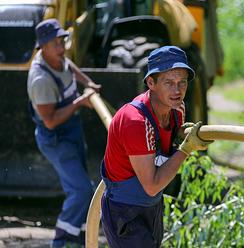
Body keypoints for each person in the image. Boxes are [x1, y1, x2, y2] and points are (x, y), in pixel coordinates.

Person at [101, 46, 212, 247]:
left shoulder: (176, 111)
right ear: (151, 82)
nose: (177, 91)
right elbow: (152, 185)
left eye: (182, 82)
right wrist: (186, 149)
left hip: (152, 206)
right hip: (125, 210)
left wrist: (179, 137)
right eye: (169, 83)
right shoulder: (135, 121)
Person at [27, 18, 101, 247]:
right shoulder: (41, 80)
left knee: (80, 189)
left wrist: (89, 82)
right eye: (56, 44)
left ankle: (78, 239)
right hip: (56, 138)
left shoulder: (58, 57)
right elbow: (49, 122)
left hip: (72, 130)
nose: (62, 48)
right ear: (43, 47)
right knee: (81, 191)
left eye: (62, 41)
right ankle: (60, 242)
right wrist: (80, 102)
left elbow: (70, 66)